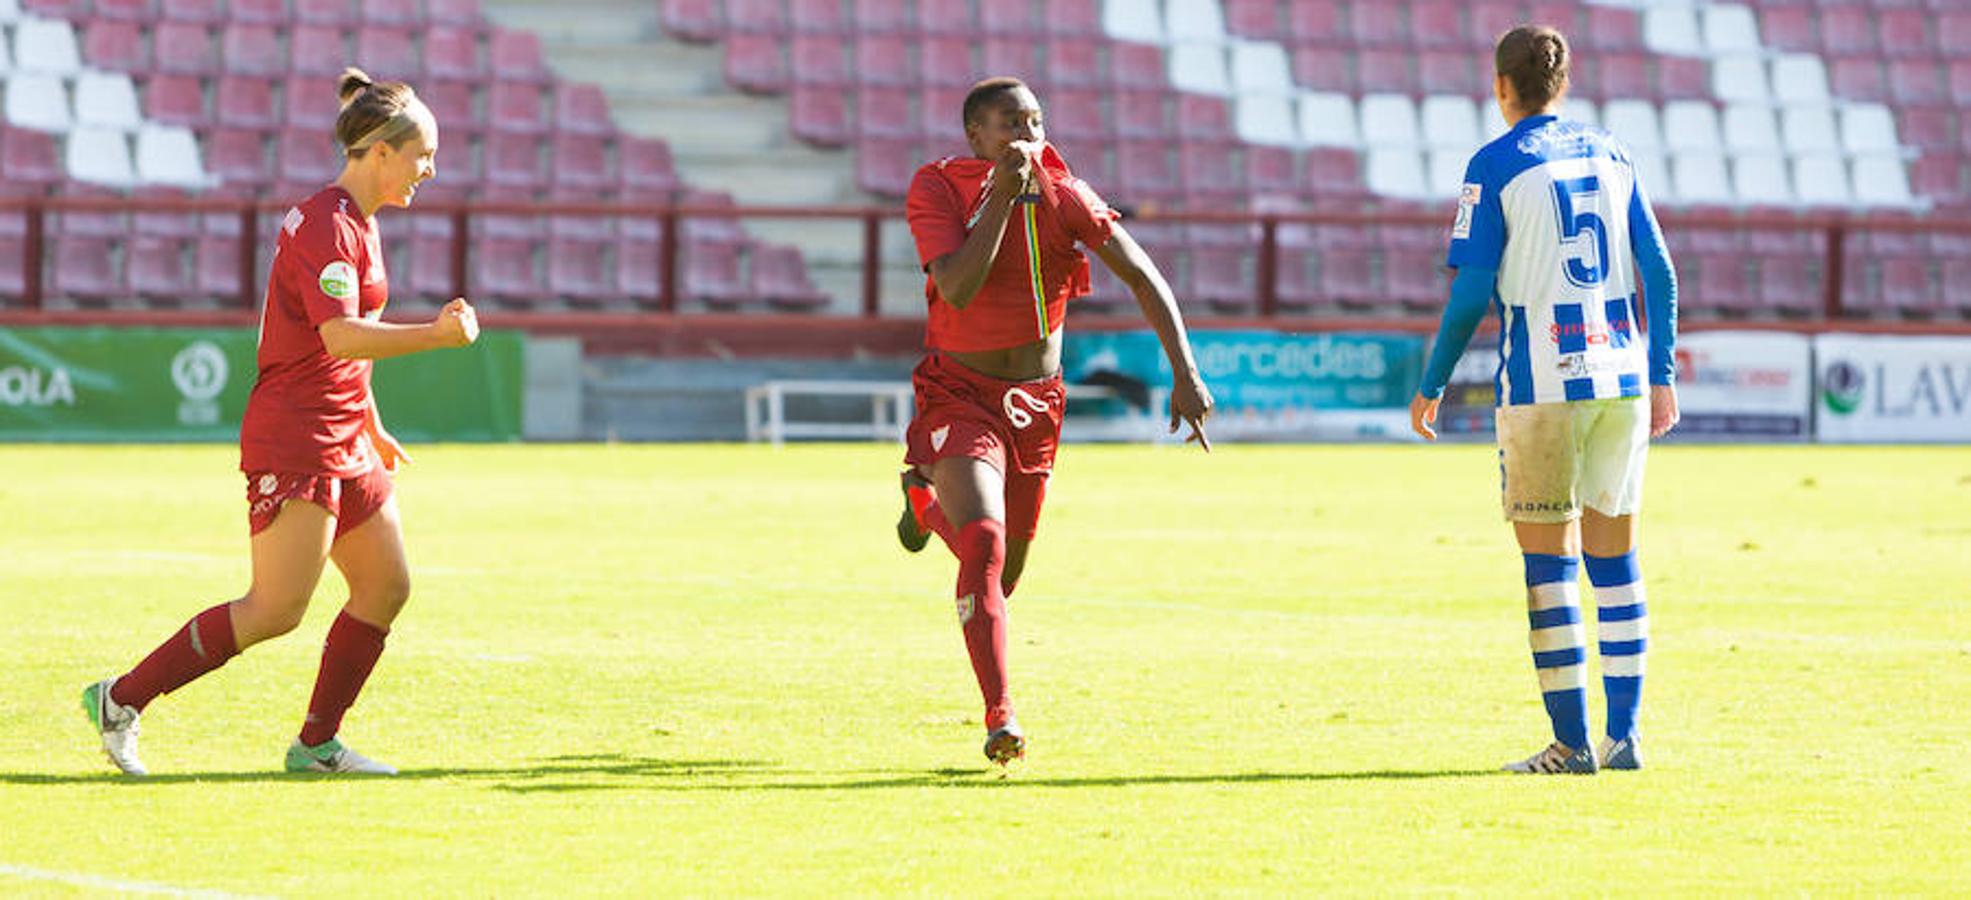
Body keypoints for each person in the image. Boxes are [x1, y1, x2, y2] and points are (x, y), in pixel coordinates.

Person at [81, 68, 477, 776]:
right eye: (423, 154)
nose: (431, 168)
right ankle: (120, 699)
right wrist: (438, 336)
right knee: (274, 609)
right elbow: (342, 338)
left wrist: (372, 421)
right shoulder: (327, 224)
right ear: (380, 151)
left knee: (386, 585)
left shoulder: (361, 222)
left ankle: (316, 745)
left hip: (344, 433)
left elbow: (351, 343)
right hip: (296, 435)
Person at [897, 77, 1215, 766]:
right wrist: (1004, 201)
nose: (1030, 136)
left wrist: (1184, 373)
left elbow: (1140, 275)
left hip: (1036, 403)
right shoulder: (938, 187)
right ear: (976, 136)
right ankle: (1000, 717)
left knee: (1001, 579)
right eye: (1013, 123)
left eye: (1037, 122)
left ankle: (923, 506)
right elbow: (956, 285)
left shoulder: (1064, 190)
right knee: (982, 544)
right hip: (960, 392)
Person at [1411, 26, 1679, 774]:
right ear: (1560, 85)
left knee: (1548, 568)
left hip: (1540, 384)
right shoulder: (1613, 153)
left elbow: (1468, 292)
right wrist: (1659, 371)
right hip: (1619, 379)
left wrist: (1431, 382)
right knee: (1616, 564)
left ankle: (1570, 744)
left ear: (1502, 87)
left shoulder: (1493, 165)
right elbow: (1657, 271)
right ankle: (1622, 737)